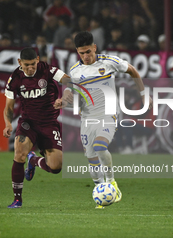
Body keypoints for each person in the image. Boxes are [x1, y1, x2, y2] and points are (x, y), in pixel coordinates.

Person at [54, 31, 152, 208]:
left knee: (100, 146)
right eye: (81, 53)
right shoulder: (75, 71)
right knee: (91, 158)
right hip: (87, 118)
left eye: (88, 52)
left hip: (108, 114)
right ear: (77, 51)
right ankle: (100, 191)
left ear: (94, 47)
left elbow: (133, 70)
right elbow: (70, 93)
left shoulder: (109, 62)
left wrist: (144, 94)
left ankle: (112, 182)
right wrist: (63, 101)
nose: (85, 56)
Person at [3, 47, 69, 208]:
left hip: (49, 123)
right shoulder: (15, 78)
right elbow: (9, 107)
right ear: (20, 63)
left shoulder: (47, 70)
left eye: (33, 64)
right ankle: (17, 199)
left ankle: (33, 160)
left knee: (56, 167)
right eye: (27, 65)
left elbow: (68, 80)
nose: (31, 68)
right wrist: (7, 123)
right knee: (18, 154)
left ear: (38, 60)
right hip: (28, 124)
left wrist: (63, 97)